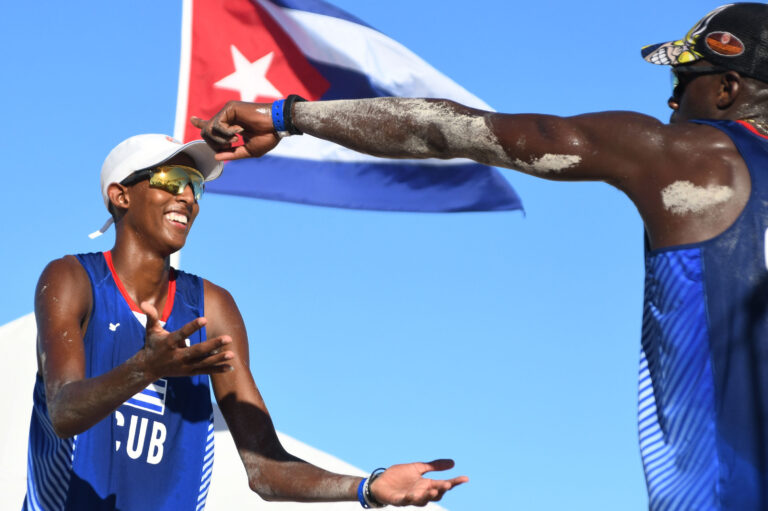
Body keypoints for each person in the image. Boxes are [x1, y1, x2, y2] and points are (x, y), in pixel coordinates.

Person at [192, 3, 768, 510]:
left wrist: (288, 116)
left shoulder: (694, 158)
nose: (670, 98)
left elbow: (452, 131)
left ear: (727, 89)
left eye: (684, 78)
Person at [24, 133, 467, 511]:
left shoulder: (212, 306)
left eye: (195, 185)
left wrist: (365, 488)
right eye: (171, 181)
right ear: (121, 195)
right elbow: (63, 411)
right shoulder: (71, 278)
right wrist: (146, 368)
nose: (187, 197)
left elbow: (264, 469)